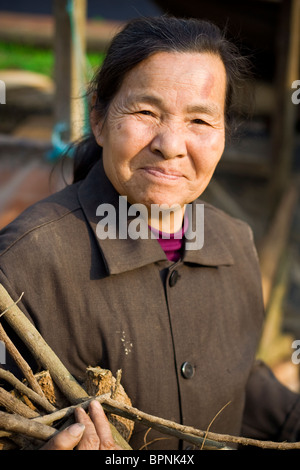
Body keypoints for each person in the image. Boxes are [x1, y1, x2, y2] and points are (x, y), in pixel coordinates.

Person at [1, 16, 300, 451]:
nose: (171, 144)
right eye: (146, 112)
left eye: (199, 120)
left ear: (223, 135)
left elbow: (233, 378)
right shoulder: (25, 263)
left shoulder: (234, 243)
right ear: (99, 119)